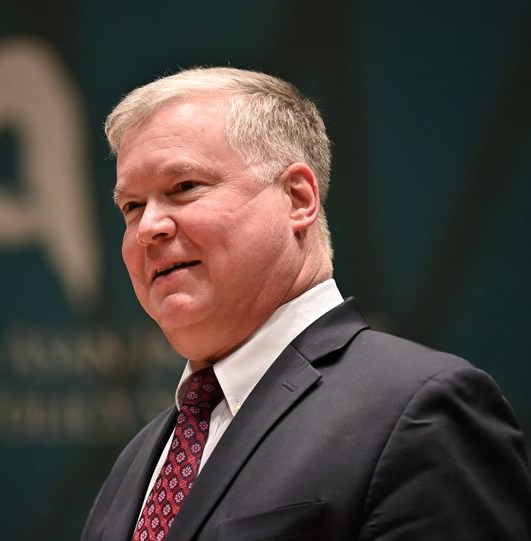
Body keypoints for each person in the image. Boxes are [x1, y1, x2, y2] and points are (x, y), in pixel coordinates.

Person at [80, 67, 531, 541]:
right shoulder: (141, 457)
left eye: (184, 187)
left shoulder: (421, 410)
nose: (149, 227)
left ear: (297, 198)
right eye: (131, 206)